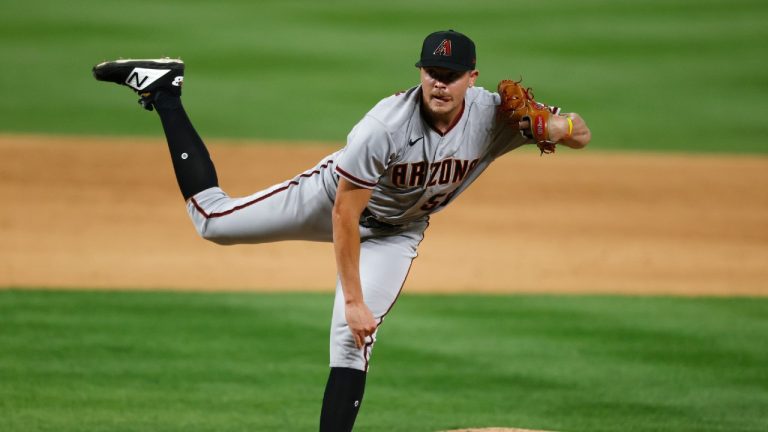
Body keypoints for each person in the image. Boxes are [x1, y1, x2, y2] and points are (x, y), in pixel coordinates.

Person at [93, 29, 590, 431]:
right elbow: (345, 217)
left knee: (354, 344)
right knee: (212, 223)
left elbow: (581, 132)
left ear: (471, 78)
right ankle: (164, 91)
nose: (440, 84)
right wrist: (353, 300)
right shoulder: (384, 127)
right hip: (331, 199)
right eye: (432, 73)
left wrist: (555, 127)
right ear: (420, 72)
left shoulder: (494, 117)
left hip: (401, 230)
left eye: (451, 75)